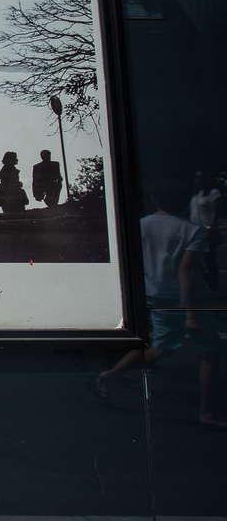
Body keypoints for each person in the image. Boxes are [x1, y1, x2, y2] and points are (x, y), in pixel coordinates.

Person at [97, 178, 227, 428]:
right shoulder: (192, 230)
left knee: (164, 345)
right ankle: (207, 413)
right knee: (210, 354)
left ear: (155, 199)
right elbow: (186, 270)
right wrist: (189, 312)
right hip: (191, 300)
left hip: (156, 294)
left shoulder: (141, 225)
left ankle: (111, 374)